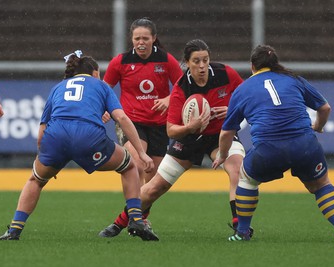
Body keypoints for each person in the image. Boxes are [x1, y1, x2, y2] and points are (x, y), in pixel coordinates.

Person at [0, 50, 158, 241]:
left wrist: (46, 156)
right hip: (87, 136)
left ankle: (14, 229)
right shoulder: (100, 85)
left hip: (55, 136)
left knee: (36, 180)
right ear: (95, 73)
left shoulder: (58, 87)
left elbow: (41, 133)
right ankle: (136, 220)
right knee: (130, 166)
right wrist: (141, 152)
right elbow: (121, 117)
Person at [99, 39, 249, 238]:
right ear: (187, 63)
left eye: (205, 60)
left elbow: (249, 98)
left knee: (237, 169)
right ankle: (119, 223)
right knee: (154, 188)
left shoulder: (225, 73)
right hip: (188, 138)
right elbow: (171, 131)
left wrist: (232, 110)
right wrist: (190, 127)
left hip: (220, 136)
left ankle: (241, 227)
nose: (202, 66)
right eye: (196, 61)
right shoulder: (181, 88)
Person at [212, 44, 334, 242]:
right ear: (276, 63)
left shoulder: (243, 89)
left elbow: (227, 132)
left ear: (252, 66)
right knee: (321, 184)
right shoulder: (293, 79)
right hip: (305, 146)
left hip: (268, 151)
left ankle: (243, 233)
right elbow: (325, 107)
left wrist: (222, 155)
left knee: (247, 180)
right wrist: (317, 126)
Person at [103, 17, 183, 189]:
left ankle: (141, 212)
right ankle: (133, 212)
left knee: (153, 176)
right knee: (137, 164)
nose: (141, 42)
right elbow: (104, 90)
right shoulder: (120, 62)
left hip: (159, 124)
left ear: (154, 38)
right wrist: (105, 109)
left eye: (145, 38)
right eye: (137, 38)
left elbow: (183, 87)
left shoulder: (166, 60)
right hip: (131, 121)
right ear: (131, 39)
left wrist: (169, 99)